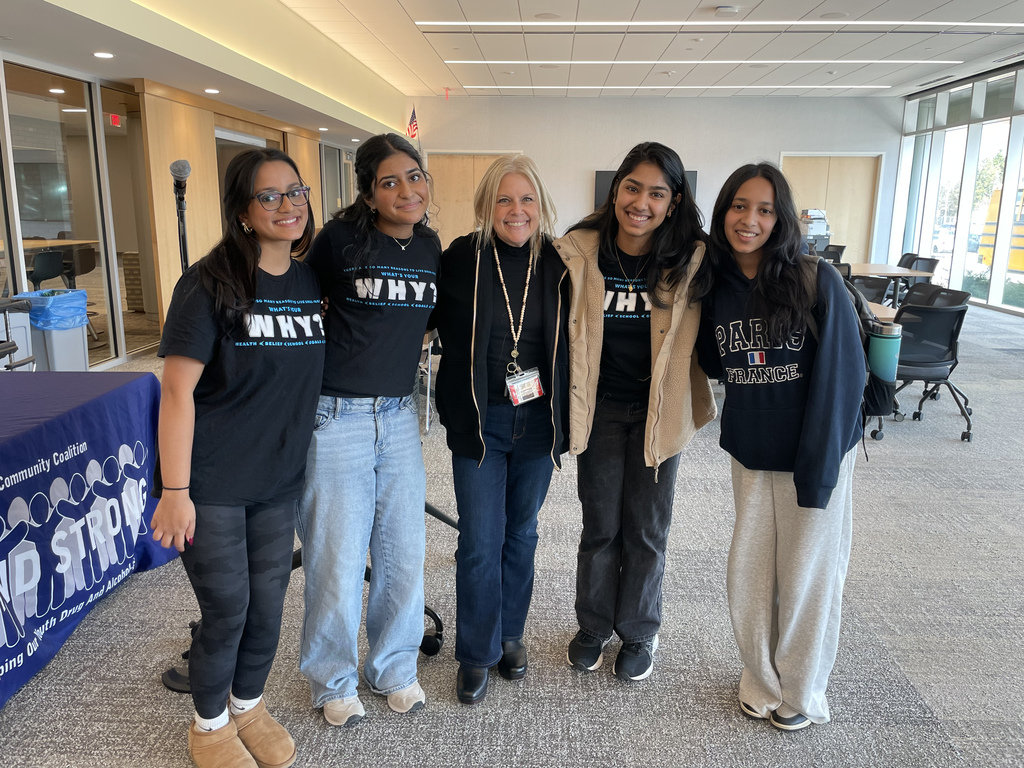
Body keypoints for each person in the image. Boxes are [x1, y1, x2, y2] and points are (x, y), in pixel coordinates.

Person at [152, 147, 324, 768]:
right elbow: (176, 390)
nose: (288, 205)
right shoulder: (208, 282)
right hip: (213, 479)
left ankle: (247, 704)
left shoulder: (308, 280)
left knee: (270, 604)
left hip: (278, 480)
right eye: (270, 196)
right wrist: (175, 491)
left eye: (295, 191)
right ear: (243, 211)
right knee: (227, 608)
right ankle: (209, 723)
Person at [696, 162, 863, 731]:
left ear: (782, 218)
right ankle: (760, 680)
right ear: (723, 214)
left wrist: (818, 471)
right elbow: (718, 364)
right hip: (751, 454)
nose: (751, 220)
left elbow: (843, 382)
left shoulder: (817, 281)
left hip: (813, 455)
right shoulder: (716, 287)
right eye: (740, 206)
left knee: (808, 578)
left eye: (766, 209)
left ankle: (801, 690)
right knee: (749, 575)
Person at [553, 142, 715, 682]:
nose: (640, 202)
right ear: (615, 189)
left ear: (673, 202)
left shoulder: (689, 261)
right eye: (632, 187)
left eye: (656, 193)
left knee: (646, 528)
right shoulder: (580, 251)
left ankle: (640, 632)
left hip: (657, 414)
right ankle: (594, 627)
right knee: (600, 525)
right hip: (597, 410)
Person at [297, 133, 441, 726]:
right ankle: (332, 681)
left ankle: (394, 668)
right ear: (369, 191)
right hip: (337, 417)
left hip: (399, 414)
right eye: (390, 181)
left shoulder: (431, 245)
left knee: (403, 551)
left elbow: (428, 323)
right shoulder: (338, 241)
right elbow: (298, 306)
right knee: (336, 556)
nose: (406, 190)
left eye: (414, 176)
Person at [431, 155, 569, 705]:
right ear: (487, 205)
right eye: (505, 199)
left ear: (542, 205)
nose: (517, 210)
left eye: (527, 199)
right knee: (480, 541)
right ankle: (475, 652)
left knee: (522, 534)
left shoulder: (560, 261)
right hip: (479, 419)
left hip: (537, 419)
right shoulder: (461, 258)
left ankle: (511, 634)